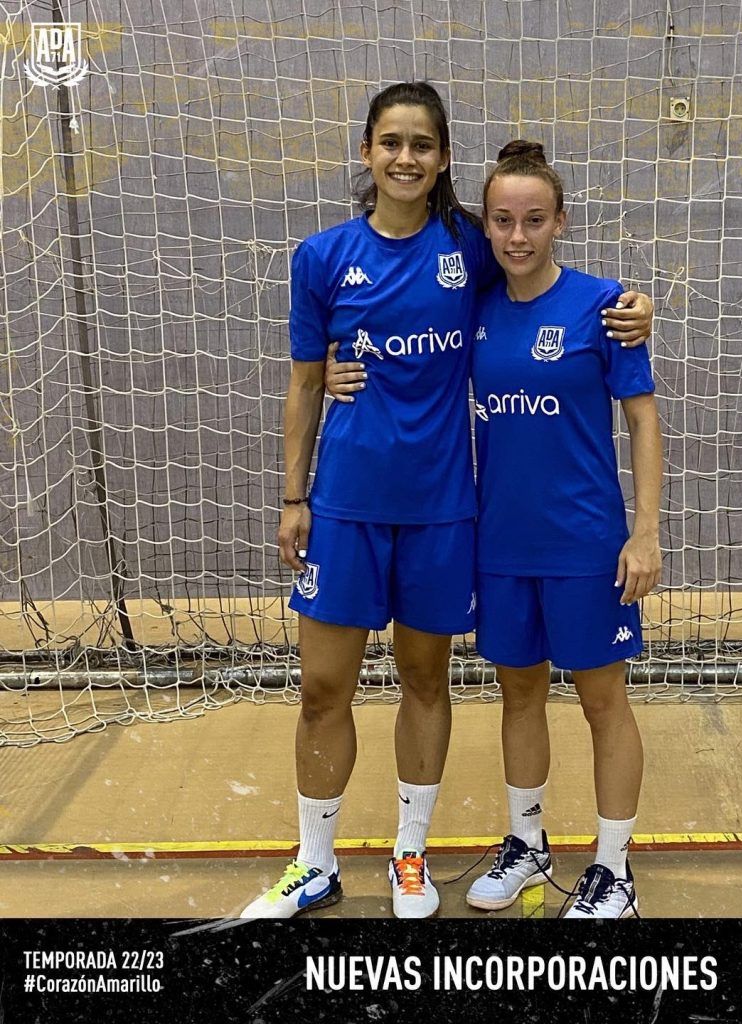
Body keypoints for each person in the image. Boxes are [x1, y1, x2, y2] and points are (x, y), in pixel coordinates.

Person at [241, 82, 653, 920]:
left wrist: (635, 307)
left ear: (442, 160)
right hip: (346, 505)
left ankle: (409, 855)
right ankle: (313, 863)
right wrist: (293, 495)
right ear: (366, 152)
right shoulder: (321, 257)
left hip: (444, 512)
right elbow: (306, 379)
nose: (404, 157)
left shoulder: (470, 248)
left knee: (426, 682)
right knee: (324, 687)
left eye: (421, 145)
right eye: (389, 142)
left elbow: (558, 284)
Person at [464, 141, 663, 918]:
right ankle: (528, 844)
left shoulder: (604, 305)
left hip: (586, 544)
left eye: (534, 220)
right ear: (485, 225)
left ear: (560, 223)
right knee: (518, 696)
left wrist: (643, 533)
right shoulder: (471, 306)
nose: (518, 236)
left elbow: (643, 424)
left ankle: (614, 871)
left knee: (603, 702)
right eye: (503, 221)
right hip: (501, 543)